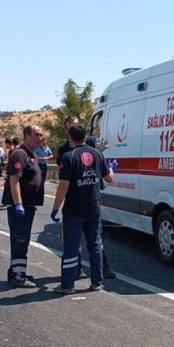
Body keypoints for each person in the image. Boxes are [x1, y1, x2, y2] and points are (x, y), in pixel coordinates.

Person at [50, 124, 115, 294]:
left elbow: (63, 186)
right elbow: (109, 179)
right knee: (95, 245)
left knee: (71, 247)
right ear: (85, 137)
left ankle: (67, 285)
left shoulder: (68, 157)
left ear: (70, 138)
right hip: (93, 208)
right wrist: (113, 169)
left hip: (73, 211)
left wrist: (55, 208)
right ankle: (96, 282)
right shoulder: (97, 154)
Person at [2, 125, 46, 288]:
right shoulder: (20, 154)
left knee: (22, 239)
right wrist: (18, 204)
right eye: (37, 134)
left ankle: (16, 271)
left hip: (28, 205)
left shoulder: (31, 155)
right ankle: (18, 276)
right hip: (20, 207)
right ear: (27, 136)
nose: (40, 137)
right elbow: (14, 181)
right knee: (20, 240)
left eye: (41, 135)